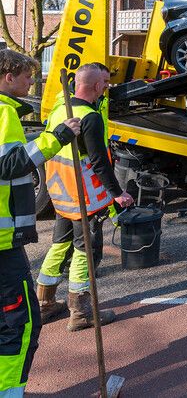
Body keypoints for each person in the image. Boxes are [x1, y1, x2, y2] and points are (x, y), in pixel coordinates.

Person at [0, 49, 81, 396]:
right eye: (27, 75)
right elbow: (8, 164)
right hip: (2, 244)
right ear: (8, 76)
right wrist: (57, 137)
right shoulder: (4, 112)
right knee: (18, 323)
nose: (32, 81)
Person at [37, 63, 134, 332]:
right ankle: (80, 313)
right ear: (94, 86)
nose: (106, 87)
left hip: (61, 193)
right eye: (104, 83)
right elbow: (99, 161)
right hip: (83, 196)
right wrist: (117, 193)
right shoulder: (90, 117)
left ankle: (44, 304)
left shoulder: (59, 111)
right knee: (85, 251)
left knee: (59, 244)